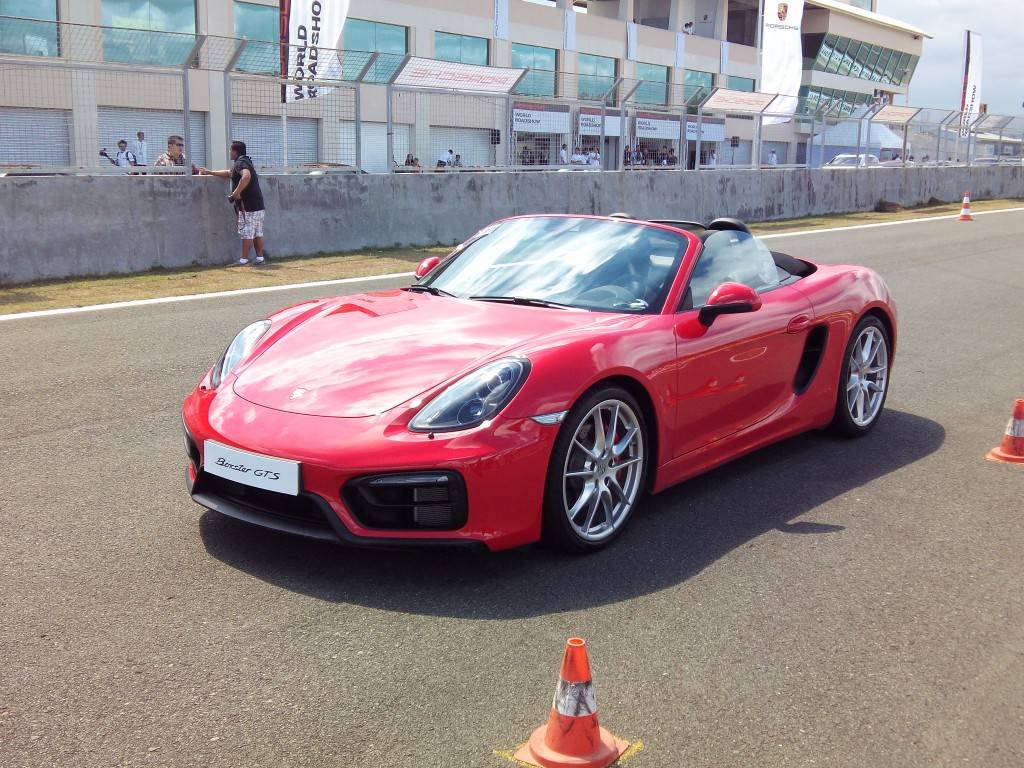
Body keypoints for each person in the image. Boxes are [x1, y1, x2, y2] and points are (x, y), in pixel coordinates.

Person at [199, 140, 266, 266]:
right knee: (257, 232)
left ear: (235, 151)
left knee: (247, 232)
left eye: (230, 150)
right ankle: (260, 258)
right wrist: (210, 172)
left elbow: (246, 176)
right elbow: (230, 173)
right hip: (258, 204)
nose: (229, 152)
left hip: (248, 205)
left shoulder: (240, 163)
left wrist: (236, 192)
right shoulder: (245, 161)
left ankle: (243, 260)